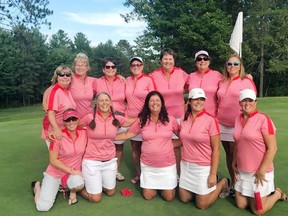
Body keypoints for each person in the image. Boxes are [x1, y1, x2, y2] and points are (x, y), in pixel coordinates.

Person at [115, 91, 179, 201]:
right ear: (147, 104)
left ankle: (164, 185)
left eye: (157, 100)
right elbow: (127, 134)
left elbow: (183, 136)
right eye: (152, 101)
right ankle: (155, 185)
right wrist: (106, 136)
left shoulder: (171, 120)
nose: (155, 103)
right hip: (148, 166)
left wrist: (170, 144)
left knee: (169, 197)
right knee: (148, 196)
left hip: (167, 166)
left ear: (162, 103)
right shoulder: (142, 120)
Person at [232, 89, 287, 215]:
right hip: (243, 170)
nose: (247, 103)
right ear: (239, 103)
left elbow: (272, 148)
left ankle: (277, 193)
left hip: (259, 172)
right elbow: (237, 142)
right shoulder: (237, 119)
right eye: (244, 100)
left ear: (255, 103)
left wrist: (262, 170)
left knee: (258, 211)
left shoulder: (263, 119)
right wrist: (234, 161)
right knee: (241, 205)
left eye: (250, 100)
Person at [178, 88, 229, 209]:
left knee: (202, 205)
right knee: (184, 198)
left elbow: (216, 149)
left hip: (203, 167)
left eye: (202, 99)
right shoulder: (184, 118)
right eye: (196, 99)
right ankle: (201, 189)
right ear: (189, 101)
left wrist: (212, 173)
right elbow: (182, 140)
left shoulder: (211, 120)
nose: (199, 102)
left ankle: (222, 183)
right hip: (186, 165)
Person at [80, 92, 134, 203]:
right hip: (92, 161)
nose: (104, 103)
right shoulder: (89, 117)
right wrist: (54, 129)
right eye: (101, 100)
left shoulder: (116, 118)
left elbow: (131, 122)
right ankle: (79, 189)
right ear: (96, 104)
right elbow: (73, 125)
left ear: (110, 103)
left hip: (109, 161)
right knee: (96, 198)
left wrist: (149, 116)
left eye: (106, 100)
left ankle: (96, 184)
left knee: (110, 192)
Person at [32, 109, 87, 211]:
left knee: (78, 183)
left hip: (72, 175)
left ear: (78, 120)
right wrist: (71, 170)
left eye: (73, 118)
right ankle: (37, 186)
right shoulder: (57, 136)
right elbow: (53, 160)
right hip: (55, 174)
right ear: (64, 122)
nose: (71, 122)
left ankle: (70, 190)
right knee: (43, 207)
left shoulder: (84, 133)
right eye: (68, 120)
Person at [216, 54, 257, 191]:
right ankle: (234, 183)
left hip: (237, 123)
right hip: (221, 122)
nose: (232, 66)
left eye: (235, 64)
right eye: (229, 64)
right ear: (226, 66)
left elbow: (251, 103)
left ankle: (241, 185)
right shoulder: (222, 81)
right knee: (228, 154)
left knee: (236, 154)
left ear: (240, 66)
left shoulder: (246, 81)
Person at [149, 48, 189, 176]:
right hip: (162, 116)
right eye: (165, 59)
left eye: (170, 59)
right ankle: (164, 172)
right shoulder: (153, 75)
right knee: (163, 144)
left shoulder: (181, 73)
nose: (167, 61)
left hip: (178, 115)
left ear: (174, 61)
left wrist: (181, 92)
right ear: (160, 61)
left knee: (178, 145)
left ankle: (177, 174)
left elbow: (191, 84)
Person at [93, 58, 126, 181]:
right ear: (103, 69)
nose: (110, 69)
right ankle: (101, 170)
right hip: (103, 117)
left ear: (116, 69)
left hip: (120, 117)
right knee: (103, 143)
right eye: (108, 67)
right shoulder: (97, 82)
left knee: (118, 145)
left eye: (113, 67)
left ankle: (115, 170)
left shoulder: (123, 81)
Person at [125, 56, 156, 183]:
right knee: (135, 148)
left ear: (142, 66)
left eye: (138, 64)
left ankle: (150, 174)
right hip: (130, 119)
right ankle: (140, 174)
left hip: (146, 119)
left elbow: (154, 99)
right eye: (133, 65)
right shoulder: (126, 80)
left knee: (148, 148)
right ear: (130, 67)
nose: (136, 67)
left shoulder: (148, 80)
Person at [42, 65, 76, 142]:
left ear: (71, 77)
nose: (65, 77)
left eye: (68, 75)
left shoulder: (67, 91)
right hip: (55, 131)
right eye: (61, 75)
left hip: (65, 128)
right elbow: (51, 113)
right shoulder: (55, 91)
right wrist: (56, 129)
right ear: (56, 77)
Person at [187, 50, 223, 117]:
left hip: (211, 115)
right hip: (193, 115)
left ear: (209, 62)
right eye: (199, 59)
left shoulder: (217, 75)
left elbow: (230, 82)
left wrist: (246, 76)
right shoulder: (191, 76)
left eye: (205, 59)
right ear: (195, 63)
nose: (202, 61)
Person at [69, 52, 97, 118]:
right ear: (74, 67)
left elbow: (107, 80)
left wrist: (118, 76)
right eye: (77, 65)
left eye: (82, 65)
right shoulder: (69, 79)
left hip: (91, 119)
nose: (79, 67)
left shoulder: (93, 81)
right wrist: (44, 101)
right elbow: (54, 88)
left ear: (87, 68)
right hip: (74, 120)